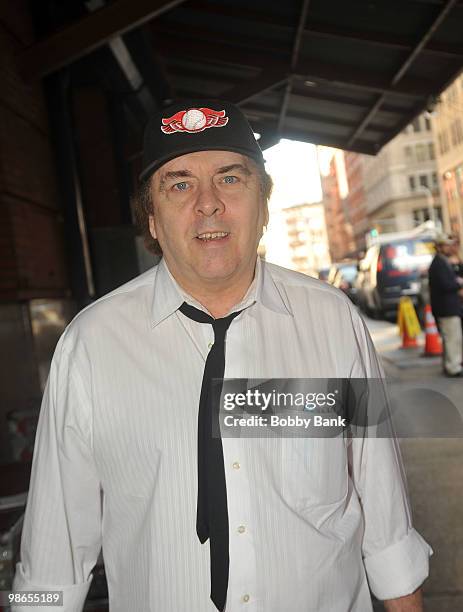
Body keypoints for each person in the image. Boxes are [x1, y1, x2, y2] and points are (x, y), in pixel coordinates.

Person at [13, 100, 432, 611]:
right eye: (180, 184)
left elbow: (384, 508)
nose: (208, 204)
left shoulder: (333, 321)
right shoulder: (91, 346)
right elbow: (52, 557)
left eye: (230, 179)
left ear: (265, 204)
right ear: (151, 216)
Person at [428, 234, 463, 377]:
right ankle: (453, 367)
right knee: (452, 338)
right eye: (446, 245)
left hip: (447, 307)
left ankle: (451, 365)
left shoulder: (442, 262)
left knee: (451, 337)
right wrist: (458, 283)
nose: (449, 248)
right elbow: (445, 285)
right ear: (440, 247)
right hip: (446, 308)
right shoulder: (438, 263)